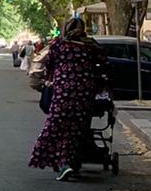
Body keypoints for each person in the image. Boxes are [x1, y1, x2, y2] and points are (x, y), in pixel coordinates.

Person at [29, 16, 107, 182]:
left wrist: (52, 77)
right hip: (85, 93)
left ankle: (64, 163)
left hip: (63, 91)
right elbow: (104, 63)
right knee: (77, 129)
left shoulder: (59, 45)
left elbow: (49, 63)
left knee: (55, 126)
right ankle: (70, 162)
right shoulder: (90, 46)